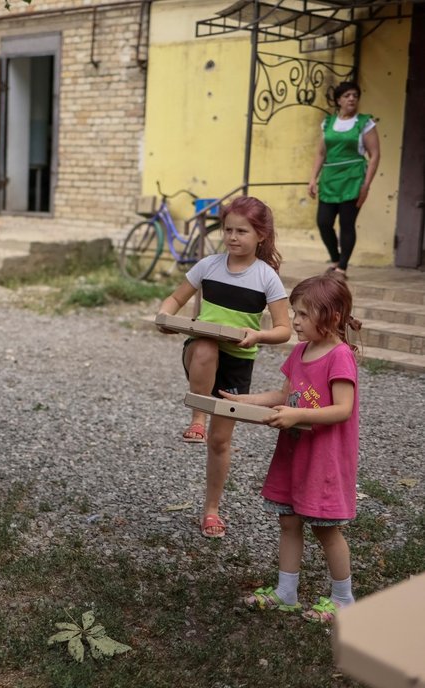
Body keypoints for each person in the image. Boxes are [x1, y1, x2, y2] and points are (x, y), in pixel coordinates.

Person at [227, 273, 361, 623]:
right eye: (295, 313)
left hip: (324, 458)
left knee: (324, 528)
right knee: (288, 520)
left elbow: (343, 409)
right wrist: (245, 400)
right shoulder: (301, 351)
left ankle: (343, 599)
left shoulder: (340, 356)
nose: (295, 322)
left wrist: (298, 413)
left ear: (330, 317)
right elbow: (284, 395)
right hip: (295, 452)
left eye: (302, 315)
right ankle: (286, 593)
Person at [157, 196, 291, 539]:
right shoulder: (208, 265)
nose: (232, 237)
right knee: (205, 343)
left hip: (238, 363)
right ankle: (197, 418)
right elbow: (174, 299)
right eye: (228, 230)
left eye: (242, 231)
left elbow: (283, 329)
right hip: (200, 354)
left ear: (260, 235)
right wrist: (164, 316)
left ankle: (211, 510)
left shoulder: (267, 278)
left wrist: (257, 334)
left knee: (220, 442)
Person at [307, 81, 381, 278]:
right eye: (347, 95)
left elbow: (374, 155)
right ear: (338, 100)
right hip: (330, 179)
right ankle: (335, 258)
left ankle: (342, 267)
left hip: (353, 179)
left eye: (355, 96)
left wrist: (366, 184)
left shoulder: (365, 123)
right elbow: (321, 153)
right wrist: (313, 178)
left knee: (347, 223)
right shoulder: (328, 123)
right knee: (323, 221)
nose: (352, 99)